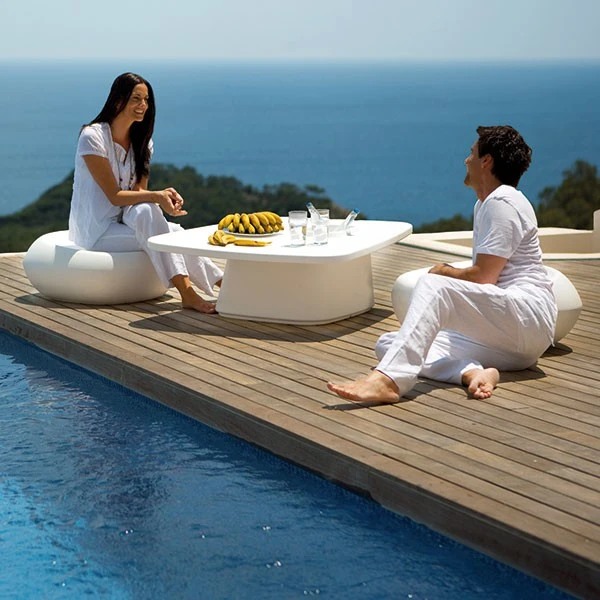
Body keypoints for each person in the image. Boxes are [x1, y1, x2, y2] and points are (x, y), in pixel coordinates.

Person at [328, 125, 557, 403]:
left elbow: (485, 277)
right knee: (388, 344)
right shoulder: (485, 204)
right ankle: (473, 372)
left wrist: (443, 271)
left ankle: (388, 381)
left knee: (435, 284)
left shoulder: (503, 200)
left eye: (472, 153)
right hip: (513, 344)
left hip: (526, 318)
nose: (466, 160)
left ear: (486, 161)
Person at [68, 72, 222, 314]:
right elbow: (114, 196)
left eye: (146, 100)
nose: (143, 105)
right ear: (118, 100)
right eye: (136, 98)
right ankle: (189, 293)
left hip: (126, 221)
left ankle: (226, 285)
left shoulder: (143, 142)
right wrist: (156, 196)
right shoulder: (93, 137)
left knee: (155, 217)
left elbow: (138, 193)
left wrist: (162, 197)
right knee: (168, 231)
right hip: (96, 230)